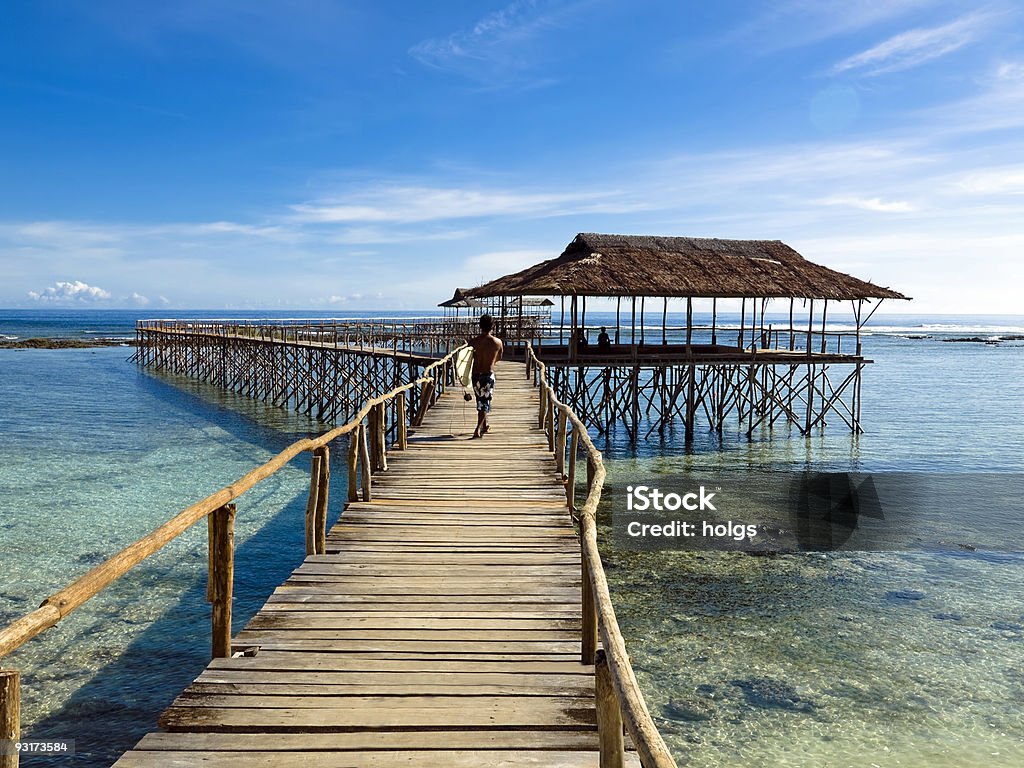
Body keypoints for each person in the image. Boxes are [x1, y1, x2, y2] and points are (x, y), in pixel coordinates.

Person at [467, 314, 503, 438]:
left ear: (480, 326)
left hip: (475, 376)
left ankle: (485, 425)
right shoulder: (497, 342)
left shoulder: (473, 342)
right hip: (488, 376)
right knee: (484, 402)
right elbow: (499, 357)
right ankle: (477, 429)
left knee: (480, 401)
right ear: (493, 326)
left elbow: (467, 359)